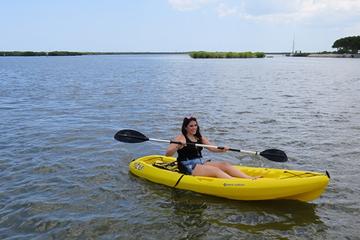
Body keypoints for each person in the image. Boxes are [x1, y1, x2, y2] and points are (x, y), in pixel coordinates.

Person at [165, 116, 258, 179]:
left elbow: (212, 148)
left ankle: (249, 178)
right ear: (185, 128)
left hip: (200, 163)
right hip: (187, 166)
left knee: (224, 164)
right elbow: (168, 154)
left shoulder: (199, 137)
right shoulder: (180, 138)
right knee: (215, 170)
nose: (194, 128)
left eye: (195, 125)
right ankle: (236, 183)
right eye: (191, 126)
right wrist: (177, 146)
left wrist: (223, 149)